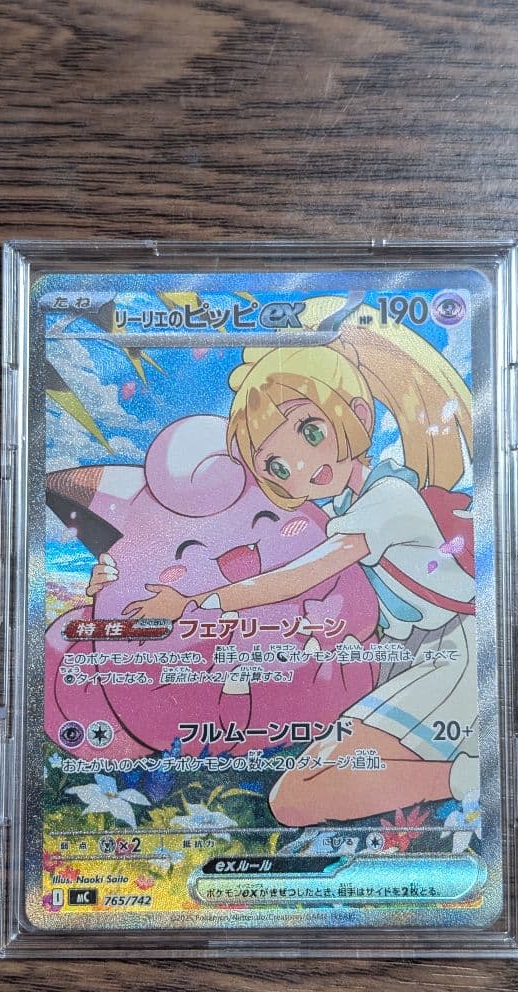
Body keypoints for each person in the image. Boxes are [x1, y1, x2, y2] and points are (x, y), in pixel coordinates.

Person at [90, 314, 479, 824]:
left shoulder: (389, 498)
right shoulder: (338, 507)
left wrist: (194, 603)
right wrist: (116, 577)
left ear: (359, 415)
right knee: (299, 792)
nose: (301, 467)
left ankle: (470, 775)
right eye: (277, 466)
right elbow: (245, 554)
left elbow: (301, 575)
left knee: (296, 797)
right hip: (398, 656)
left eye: (310, 431)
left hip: (450, 656)